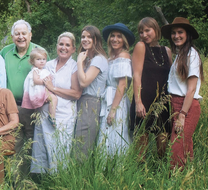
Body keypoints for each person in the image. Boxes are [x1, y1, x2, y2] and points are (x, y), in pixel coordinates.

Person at [0, 19, 48, 175]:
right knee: (15, 143)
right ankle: (16, 178)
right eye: (17, 34)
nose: (20, 37)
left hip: (35, 108)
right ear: (13, 36)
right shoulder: (5, 52)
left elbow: (49, 75)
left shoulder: (39, 52)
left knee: (35, 142)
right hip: (11, 107)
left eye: (24, 33)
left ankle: (35, 178)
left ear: (30, 35)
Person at [31, 32, 82, 174]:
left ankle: (58, 181)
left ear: (73, 49)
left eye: (67, 45)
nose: (63, 47)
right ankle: (40, 181)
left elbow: (76, 94)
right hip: (45, 113)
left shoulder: (74, 67)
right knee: (41, 148)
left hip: (63, 115)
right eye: (61, 44)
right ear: (56, 46)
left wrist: (53, 89)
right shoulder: (47, 64)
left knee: (59, 150)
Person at [161, 17, 203, 169]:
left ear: (188, 35)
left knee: (176, 146)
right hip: (176, 103)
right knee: (185, 144)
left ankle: (174, 180)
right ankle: (190, 177)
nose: (176, 36)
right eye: (173, 33)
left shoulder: (192, 55)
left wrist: (182, 114)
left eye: (180, 32)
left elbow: (191, 89)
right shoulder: (180, 54)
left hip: (188, 106)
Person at [130, 17, 172, 160]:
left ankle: (160, 175)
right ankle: (139, 176)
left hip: (163, 101)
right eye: (141, 32)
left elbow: (171, 78)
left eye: (147, 30)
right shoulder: (141, 47)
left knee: (163, 146)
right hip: (144, 100)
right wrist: (138, 101)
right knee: (141, 147)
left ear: (156, 29)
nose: (144, 35)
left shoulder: (167, 51)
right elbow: (137, 75)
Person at [97, 23, 135, 155]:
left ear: (124, 40)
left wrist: (113, 109)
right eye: (112, 36)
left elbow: (122, 85)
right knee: (106, 132)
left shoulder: (123, 57)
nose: (115, 39)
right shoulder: (111, 58)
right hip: (107, 98)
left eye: (119, 36)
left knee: (116, 132)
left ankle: (119, 168)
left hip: (116, 100)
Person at [74, 25, 108, 160]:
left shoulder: (98, 59)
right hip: (82, 101)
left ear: (96, 39)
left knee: (83, 142)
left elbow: (84, 82)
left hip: (91, 102)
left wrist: (78, 62)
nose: (85, 39)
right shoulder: (88, 59)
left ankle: (82, 177)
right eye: (83, 37)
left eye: (89, 37)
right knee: (78, 139)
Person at [22, 48, 58, 127]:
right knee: (54, 98)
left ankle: (51, 116)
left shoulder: (42, 70)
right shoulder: (35, 70)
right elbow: (36, 80)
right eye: (38, 59)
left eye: (43, 59)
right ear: (32, 61)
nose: (42, 61)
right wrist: (46, 82)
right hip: (38, 92)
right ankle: (52, 116)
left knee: (53, 99)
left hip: (43, 91)